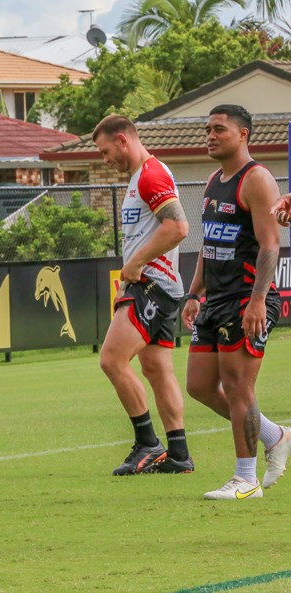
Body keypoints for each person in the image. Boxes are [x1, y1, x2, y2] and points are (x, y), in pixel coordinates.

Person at [182, 104, 291, 500]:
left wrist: (258, 300)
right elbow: (208, 246)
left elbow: (270, 244)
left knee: (238, 387)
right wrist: (195, 293)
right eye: (207, 129)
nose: (210, 136)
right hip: (215, 300)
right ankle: (275, 435)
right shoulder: (213, 179)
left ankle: (246, 481)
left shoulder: (257, 179)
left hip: (247, 299)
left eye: (219, 130)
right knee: (199, 386)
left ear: (243, 134)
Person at [93, 115, 194, 476]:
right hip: (159, 285)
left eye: (106, 151)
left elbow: (179, 227)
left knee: (111, 360)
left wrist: (135, 264)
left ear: (122, 140)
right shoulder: (142, 177)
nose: (105, 159)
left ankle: (148, 443)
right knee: (156, 369)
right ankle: (178, 452)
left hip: (151, 284)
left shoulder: (151, 174)